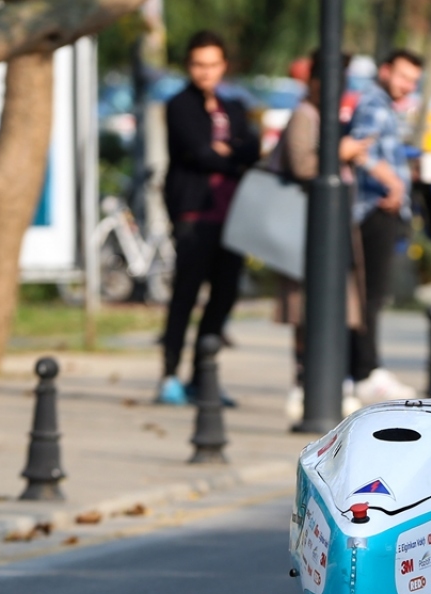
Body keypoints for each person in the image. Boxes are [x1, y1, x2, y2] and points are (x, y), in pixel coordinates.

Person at [264, 50, 374, 420]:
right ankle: (304, 386)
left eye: (342, 80)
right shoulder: (303, 116)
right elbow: (301, 165)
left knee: (337, 310)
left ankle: (333, 382)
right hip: (308, 233)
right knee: (307, 312)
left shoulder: (327, 116)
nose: (336, 87)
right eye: (328, 79)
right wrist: (339, 153)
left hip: (331, 230)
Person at [157, 30, 259, 406]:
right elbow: (198, 153)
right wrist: (230, 152)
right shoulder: (179, 105)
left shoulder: (234, 107)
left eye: (213, 64)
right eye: (199, 64)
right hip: (194, 213)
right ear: (189, 66)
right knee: (185, 293)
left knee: (225, 294)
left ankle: (205, 376)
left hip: (233, 215)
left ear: (223, 66)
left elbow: (252, 148)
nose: (206, 72)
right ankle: (168, 374)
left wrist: (229, 150)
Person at [347, 48, 425, 403]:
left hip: (382, 211)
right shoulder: (374, 104)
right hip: (372, 210)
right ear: (385, 70)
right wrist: (392, 183)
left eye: (413, 81)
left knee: (373, 293)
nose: (408, 86)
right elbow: (358, 150)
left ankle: (365, 367)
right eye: (403, 77)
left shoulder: (383, 105)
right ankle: (365, 370)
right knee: (370, 294)